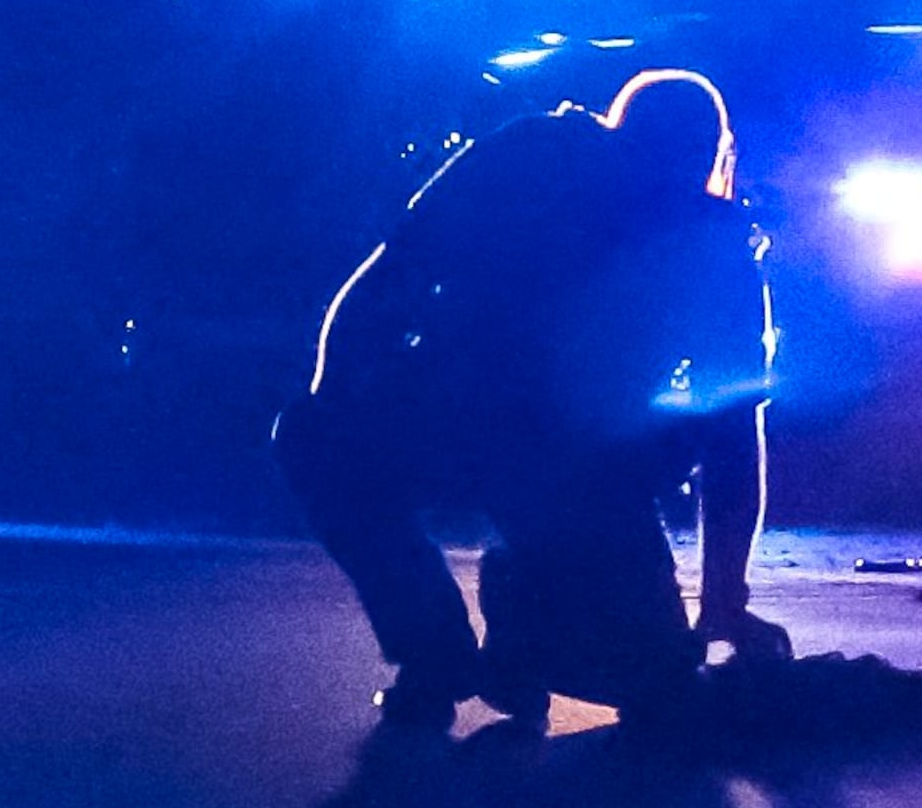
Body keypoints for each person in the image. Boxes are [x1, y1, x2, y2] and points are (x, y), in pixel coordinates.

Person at [275, 68, 787, 728]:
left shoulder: (707, 245)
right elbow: (399, 264)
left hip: (570, 463)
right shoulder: (531, 161)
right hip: (471, 420)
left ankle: (516, 619)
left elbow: (730, 434)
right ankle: (443, 648)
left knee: (655, 685)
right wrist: (335, 394)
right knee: (312, 435)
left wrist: (723, 596)